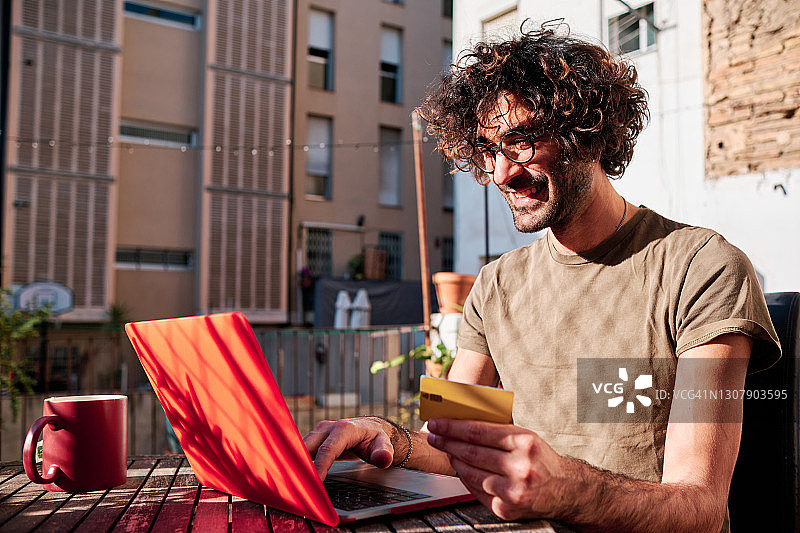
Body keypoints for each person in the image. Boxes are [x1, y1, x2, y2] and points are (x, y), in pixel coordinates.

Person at [304, 26, 781, 533]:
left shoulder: (702, 268)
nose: (501, 173)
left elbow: (702, 509)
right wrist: (385, 436)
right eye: (487, 149)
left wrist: (565, 490)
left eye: (521, 141)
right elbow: (451, 441)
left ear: (588, 133)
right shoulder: (496, 286)